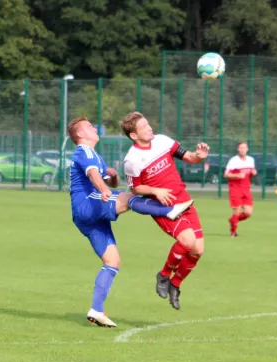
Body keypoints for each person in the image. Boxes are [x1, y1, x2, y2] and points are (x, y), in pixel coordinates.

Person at [68, 117, 193, 328]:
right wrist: (106, 190)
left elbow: (105, 179)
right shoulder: (84, 151)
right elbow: (92, 176)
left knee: (112, 262)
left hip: (87, 217)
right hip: (88, 204)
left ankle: (96, 309)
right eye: (89, 126)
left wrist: (112, 179)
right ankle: (170, 210)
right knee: (128, 199)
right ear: (81, 135)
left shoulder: (94, 155)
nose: (94, 127)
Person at [121, 112, 209, 311]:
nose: (149, 128)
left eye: (148, 124)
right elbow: (135, 188)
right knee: (187, 241)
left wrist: (199, 156)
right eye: (143, 127)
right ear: (134, 135)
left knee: (198, 250)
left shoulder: (162, 141)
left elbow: (189, 157)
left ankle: (175, 285)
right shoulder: (132, 160)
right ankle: (163, 275)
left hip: (185, 200)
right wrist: (155, 191)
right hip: (165, 207)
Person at [224, 142, 256, 237]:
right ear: (238, 149)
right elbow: (226, 174)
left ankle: (233, 220)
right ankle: (233, 232)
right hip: (235, 189)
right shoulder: (233, 160)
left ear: (247, 149)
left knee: (248, 212)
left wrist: (253, 173)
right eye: (241, 148)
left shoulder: (251, 160)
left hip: (246, 189)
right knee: (237, 211)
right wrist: (237, 175)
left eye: (244, 148)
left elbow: (250, 173)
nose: (243, 150)